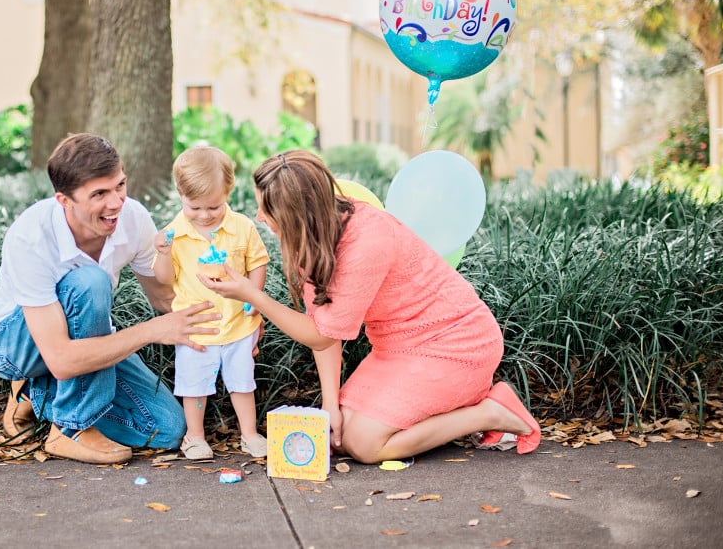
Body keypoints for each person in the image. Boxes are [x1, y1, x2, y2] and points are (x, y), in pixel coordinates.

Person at [199, 150, 540, 464]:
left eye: (266, 209)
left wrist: (251, 295)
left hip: (455, 344)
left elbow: (319, 336)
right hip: (398, 348)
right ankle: (452, 405)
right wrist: (330, 405)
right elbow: (324, 324)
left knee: (365, 445)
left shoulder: (366, 242)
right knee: (342, 433)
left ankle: (490, 412)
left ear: (296, 212)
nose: (259, 216)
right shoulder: (315, 235)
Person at [0, 133, 221, 465]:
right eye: (99, 194)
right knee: (89, 281)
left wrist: (230, 320)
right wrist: (153, 330)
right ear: (65, 200)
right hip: (16, 346)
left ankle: (36, 393)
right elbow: (62, 359)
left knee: (166, 428)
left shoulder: (132, 218)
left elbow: (164, 299)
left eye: (120, 185)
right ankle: (70, 427)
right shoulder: (31, 237)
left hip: (84, 337)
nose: (117, 203)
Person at [152, 146, 270, 460]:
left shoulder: (242, 227)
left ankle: (249, 434)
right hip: (196, 327)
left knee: (243, 383)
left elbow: (258, 262)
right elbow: (164, 279)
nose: (204, 215)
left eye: (214, 207)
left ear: (228, 192)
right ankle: (194, 436)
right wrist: (163, 254)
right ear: (180, 195)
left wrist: (254, 301)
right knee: (194, 387)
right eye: (195, 207)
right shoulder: (173, 234)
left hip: (238, 323)